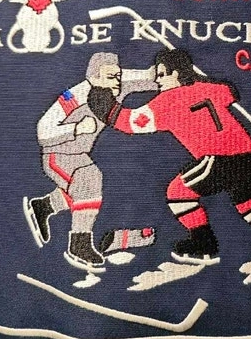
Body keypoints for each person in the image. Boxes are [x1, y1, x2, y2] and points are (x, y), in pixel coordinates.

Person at [87, 48, 251, 264]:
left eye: (161, 74)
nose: (157, 80)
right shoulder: (210, 88)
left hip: (220, 157)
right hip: (248, 155)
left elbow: (130, 122)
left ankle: (203, 241)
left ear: (176, 73)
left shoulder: (168, 101)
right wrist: (202, 80)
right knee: (249, 202)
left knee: (178, 192)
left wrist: (103, 104)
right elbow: (230, 91)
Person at [23, 52, 155, 271]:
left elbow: (145, 77)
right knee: (89, 180)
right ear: (94, 78)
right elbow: (43, 129)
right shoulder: (74, 97)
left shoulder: (118, 85)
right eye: (110, 77)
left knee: (82, 188)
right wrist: (76, 128)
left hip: (80, 154)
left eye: (118, 75)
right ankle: (79, 243)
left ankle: (44, 206)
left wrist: (167, 75)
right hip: (57, 154)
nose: (117, 81)